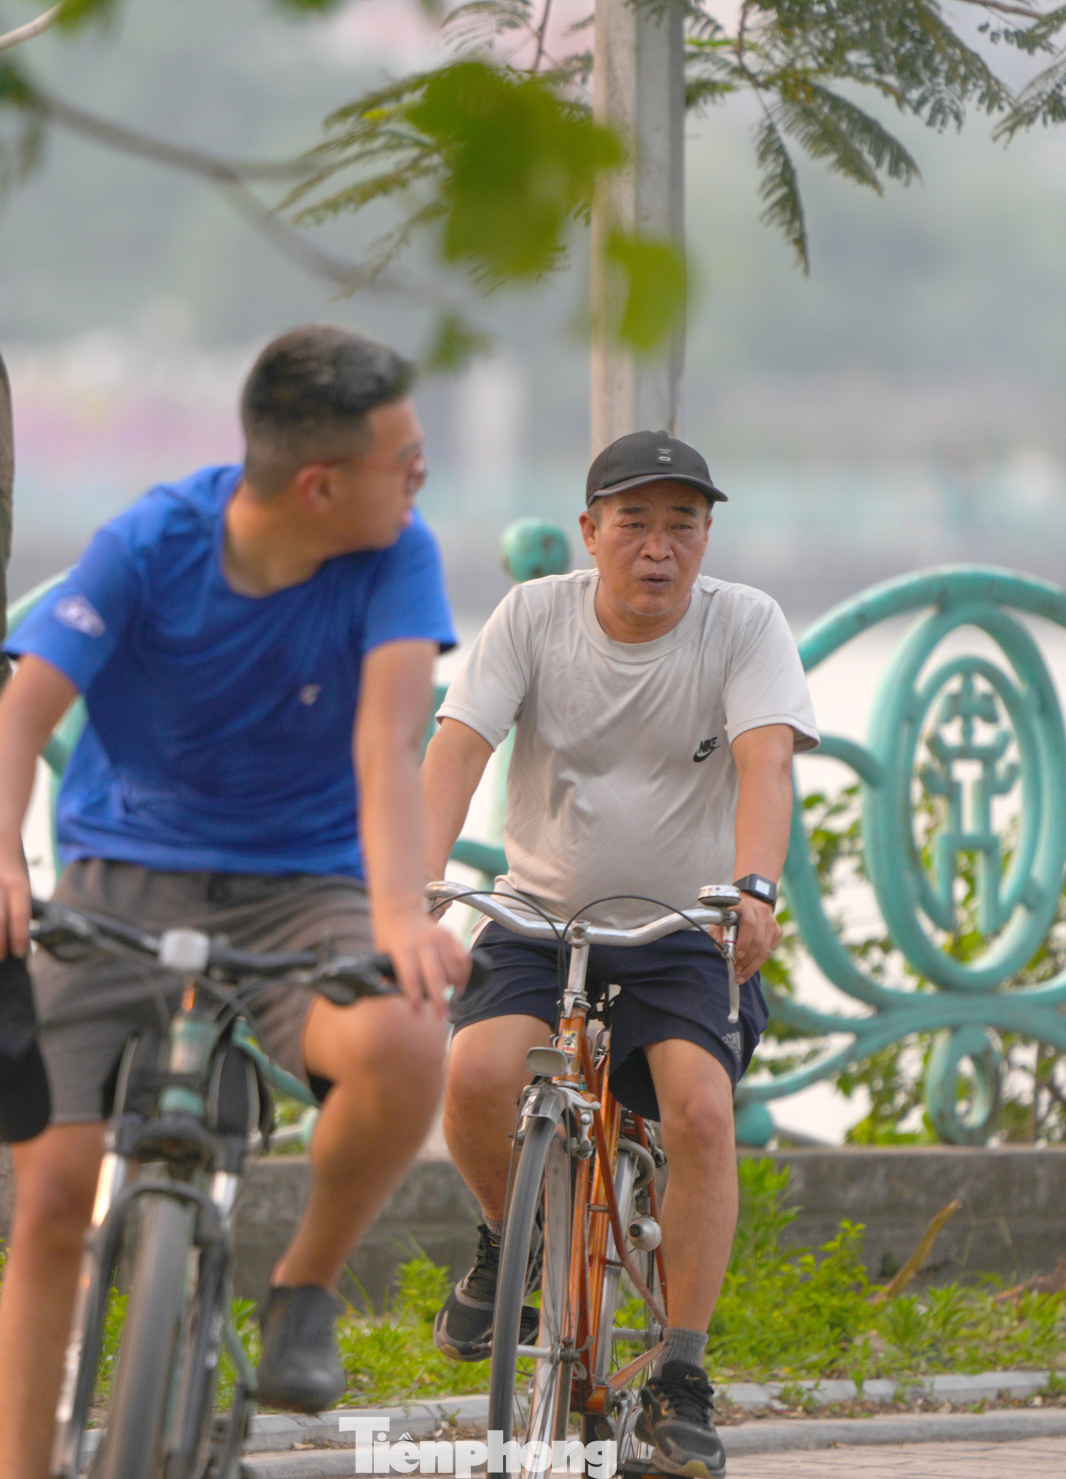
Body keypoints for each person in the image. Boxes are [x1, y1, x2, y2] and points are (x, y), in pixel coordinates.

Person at [0, 325, 471, 1479]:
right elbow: (22, 719)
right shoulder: (149, 543)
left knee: (401, 1041)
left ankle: (303, 1289)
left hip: (308, 891)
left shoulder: (396, 553)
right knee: (49, 1203)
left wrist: (396, 917)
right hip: (120, 883)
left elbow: (388, 748)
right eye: (406, 457)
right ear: (321, 482)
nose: (421, 476)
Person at [422, 429, 819, 1478]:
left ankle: (680, 1373)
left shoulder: (744, 625)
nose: (658, 547)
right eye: (633, 522)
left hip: (680, 927)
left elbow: (765, 761)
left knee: (697, 1111)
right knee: (471, 1074)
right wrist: (408, 891)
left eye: (681, 524)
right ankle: (513, 1239)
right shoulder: (532, 616)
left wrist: (755, 888)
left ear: (705, 536)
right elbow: (458, 746)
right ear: (589, 530)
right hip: (538, 914)